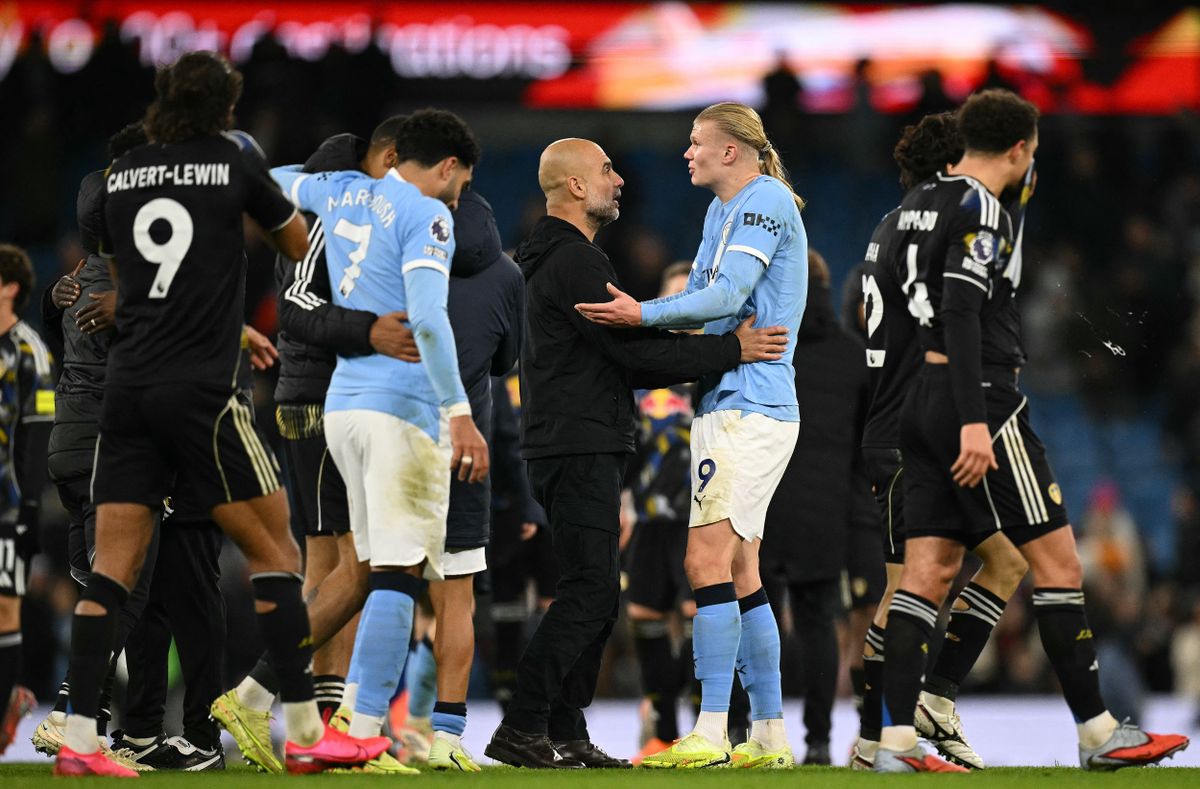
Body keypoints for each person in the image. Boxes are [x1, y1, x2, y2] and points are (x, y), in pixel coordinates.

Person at [56, 51, 389, 777]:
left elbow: (133, 272)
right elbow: (298, 242)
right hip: (204, 392)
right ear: (225, 106)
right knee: (280, 555)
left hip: (129, 388)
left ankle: (81, 739)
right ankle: (302, 728)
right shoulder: (234, 160)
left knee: (110, 572)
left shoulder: (122, 175)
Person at [876, 88, 1189, 772]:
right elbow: (961, 309)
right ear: (1018, 149)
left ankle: (895, 742)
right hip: (980, 399)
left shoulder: (914, 206)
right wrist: (972, 422)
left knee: (927, 572)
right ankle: (1099, 730)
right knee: (1057, 565)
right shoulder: (979, 208)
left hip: (919, 396)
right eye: (1033, 151)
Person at [484, 137, 788, 770]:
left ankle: (563, 729)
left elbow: (625, 349)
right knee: (591, 591)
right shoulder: (574, 263)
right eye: (605, 171)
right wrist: (730, 349)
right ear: (573, 187)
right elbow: (635, 355)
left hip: (567, 439)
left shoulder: (554, 259)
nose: (618, 181)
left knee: (591, 589)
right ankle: (522, 724)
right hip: (580, 440)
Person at [576, 102, 807, 770]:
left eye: (697, 141)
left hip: (750, 405)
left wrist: (641, 311)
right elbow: (714, 315)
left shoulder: (763, 204)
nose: (687, 152)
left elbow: (724, 295)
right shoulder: (719, 212)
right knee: (739, 569)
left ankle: (708, 727)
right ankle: (767, 733)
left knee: (703, 563)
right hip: (728, 400)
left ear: (732, 150)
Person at [270, 108, 488, 768]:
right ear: (448, 167)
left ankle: (339, 723)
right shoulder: (429, 215)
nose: (460, 193)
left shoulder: (341, 189)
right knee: (398, 572)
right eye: (461, 180)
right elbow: (426, 317)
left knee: (372, 567)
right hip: (400, 409)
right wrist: (458, 412)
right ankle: (361, 729)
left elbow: (271, 178)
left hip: (343, 411)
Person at [213, 119, 420, 776]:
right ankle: (256, 692)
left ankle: (321, 730)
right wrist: (372, 332)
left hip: (310, 401)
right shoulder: (331, 218)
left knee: (327, 568)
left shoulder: (317, 223)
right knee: (362, 569)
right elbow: (299, 305)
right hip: (323, 402)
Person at [852, 111, 1030, 772]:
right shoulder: (949, 225)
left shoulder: (884, 229)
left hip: (894, 420)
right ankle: (879, 734)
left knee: (999, 562)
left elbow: (863, 323)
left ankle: (926, 702)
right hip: (914, 425)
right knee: (907, 586)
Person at [395, 189, 525, 771]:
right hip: (466, 443)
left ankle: (354, 721)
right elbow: (505, 363)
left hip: (397, 431)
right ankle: (447, 734)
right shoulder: (506, 273)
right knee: (459, 596)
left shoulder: (404, 252)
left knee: (376, 581)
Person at [759, 248, 866, 766]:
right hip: (826, 510)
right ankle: (819, 741)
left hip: (764, 500)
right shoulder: (853, 355)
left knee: (753, 616)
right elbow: (867, 446)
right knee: (818, 622)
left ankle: (750, 732)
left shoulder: (766, 343)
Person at [622, 261, 699, 763]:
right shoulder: (642, 371)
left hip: (700, 518)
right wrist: (622, 502)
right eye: (673, 298)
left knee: (698, 619)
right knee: (646, 615)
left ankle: (705, 728)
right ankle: (661, 731)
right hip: (649, 516)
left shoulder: (717, 367)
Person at [0, 244, 54, 756]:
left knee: (5, 610)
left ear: (10, 286)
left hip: (6, 505)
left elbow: (36, 436)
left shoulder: (28, 350)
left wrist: (31, 510)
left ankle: (4, 711)